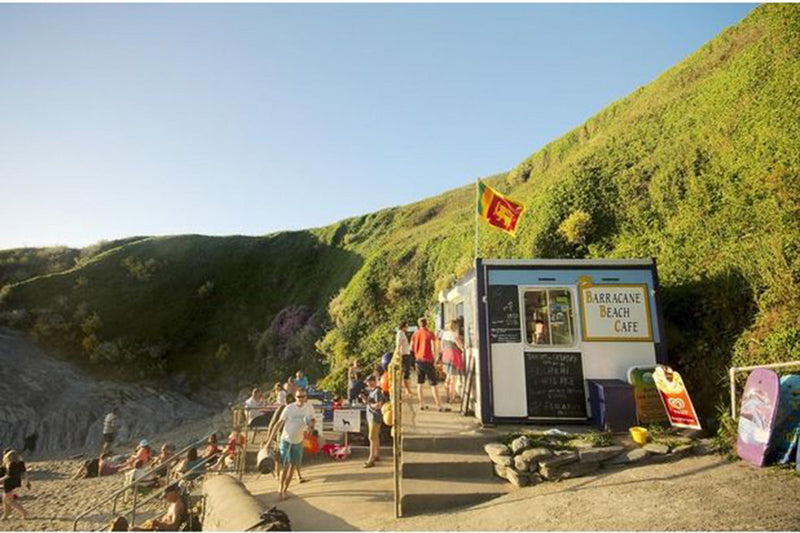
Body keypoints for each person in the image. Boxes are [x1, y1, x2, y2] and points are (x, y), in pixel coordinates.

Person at [276, 389, 315, 499]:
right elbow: (279, 423)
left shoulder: (309, 407)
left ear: (306, 397)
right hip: (286, 439)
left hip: (298, 440)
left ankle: (285, 489)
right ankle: (280, 486)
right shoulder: (289, 408)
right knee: (285, 465)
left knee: (293, 466)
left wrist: (310, 426)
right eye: (299, 397)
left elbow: (312, 420)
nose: (301, 399)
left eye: (303, 396)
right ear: (295, 397)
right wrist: (269, 439)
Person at [410, 317, 444, 411]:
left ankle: (422, 404)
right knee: (434, 384)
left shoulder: (415, 334)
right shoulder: (430, 333)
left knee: (420, 383)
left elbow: (411, 348)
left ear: (418, 324)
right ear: (426, 323)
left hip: (418, 361)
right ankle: (439, 405)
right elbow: (433, 348)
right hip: (428, 360)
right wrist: (436, 359)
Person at [440, 320, 466, 403]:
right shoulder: (454, 334)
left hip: (446, 356)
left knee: (448, 378)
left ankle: (448, 396)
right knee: (453, 379)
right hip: (453, 356)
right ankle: (452, 398)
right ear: (455, 326)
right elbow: (460, 345)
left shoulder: (444, 334)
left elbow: (441, 346)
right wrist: (464, 348)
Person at [1, 450, 30, 520]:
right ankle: (5, 515)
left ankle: (24, 512)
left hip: (8, 484)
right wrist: (27, 482)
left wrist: (1, 480)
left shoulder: (11, 464)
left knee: (10, 501)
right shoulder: (20, 463)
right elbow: (25, 473)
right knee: (5, 499)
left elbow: (8, 475)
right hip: (15, 483)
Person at [363, 375, 384, 468]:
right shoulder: (371, 391)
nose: (367, 384)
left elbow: (378, 405)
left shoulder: (377, 391)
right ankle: (376, 454)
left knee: (371, 437)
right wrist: (365, 400)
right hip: (370, 416)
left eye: (368, 382)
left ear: (372, 382)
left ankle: (371, 458)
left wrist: (370, 404)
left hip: (375, 416)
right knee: (375, 437)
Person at [395, 322, 414, 396]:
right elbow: (398, 344)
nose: (407, 328)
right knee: (406, 373)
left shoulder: (401, 333)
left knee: (406, 373)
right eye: (406, 326)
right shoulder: (400, 334)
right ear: (403, 327)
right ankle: (407, 390)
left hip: (406, 354)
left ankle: (407, 389)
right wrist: (399, 354)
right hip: (404, 355)